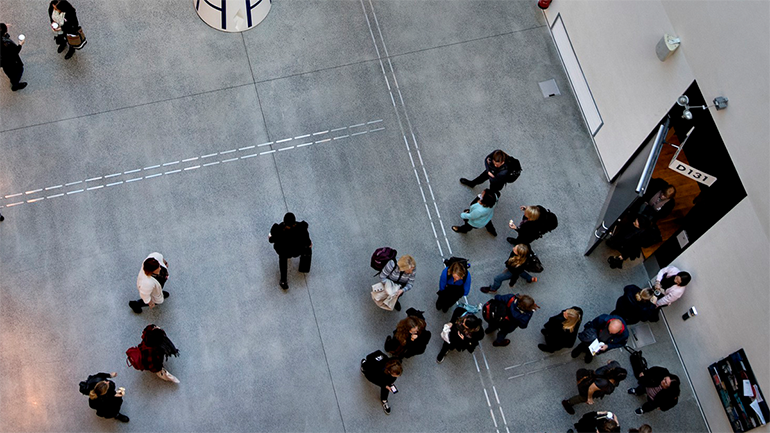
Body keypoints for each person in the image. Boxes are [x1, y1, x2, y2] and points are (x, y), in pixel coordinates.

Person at [562, 360, 628, 414]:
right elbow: (591, 388)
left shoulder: (615, 365)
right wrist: (589, 398)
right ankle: (568, 402)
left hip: (592, 378)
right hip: (588, 387)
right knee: (582, 398)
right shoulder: (604, 383)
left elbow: (609, 361)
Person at [269, 212, 312, 290]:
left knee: (282, 258)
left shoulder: (278, 230)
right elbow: (308, 241)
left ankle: (283, 280)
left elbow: (271, 240)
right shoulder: (301, 227)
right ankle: (304, 267)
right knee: (307, 247)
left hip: (285, 252)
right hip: (297, 251)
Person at [360, 351, 402, 415]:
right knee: (368, 370)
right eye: (395, 376)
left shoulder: (393, 362)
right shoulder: (378, 370)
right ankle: (364, 366)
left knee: (387, 385)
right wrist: (384, 385)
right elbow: (373, 378)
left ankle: (384, 400)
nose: (396, 377)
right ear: (389, 372)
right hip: (371, 371)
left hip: (376, 367)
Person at [0, 23, 27, 91]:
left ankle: (13, 81)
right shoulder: (6, 45)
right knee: (18, 72)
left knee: (8, 72)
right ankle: (15, 86)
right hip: (11, 63)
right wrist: (20, 45)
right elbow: (14, 53)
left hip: (3, 62)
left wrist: (4, 29)